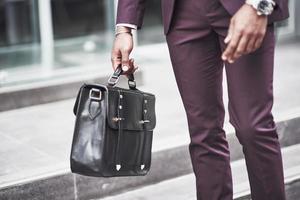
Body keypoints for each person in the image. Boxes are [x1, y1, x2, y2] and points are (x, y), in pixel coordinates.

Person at [111, 0, 289, 199]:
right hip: (183, 14)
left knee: (253, 127)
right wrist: (124, 27)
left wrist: (259, 5)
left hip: (244, 6)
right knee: (203, 132)